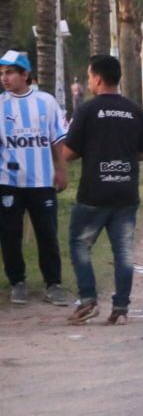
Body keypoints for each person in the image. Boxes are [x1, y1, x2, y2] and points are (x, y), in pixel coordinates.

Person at [64, 55, 143, 325]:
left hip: (94, 193)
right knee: (123, 252)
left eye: (90, 76)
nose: (89, 81)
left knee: (79, 244)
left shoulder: (87, 111)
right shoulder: (134, 109)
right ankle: (121, 309)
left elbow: (69, 153)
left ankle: (88, 299)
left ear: (98, 79)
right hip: (126, 193)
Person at [1, 50, 69, 306]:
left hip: (42, 181)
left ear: (24, 74)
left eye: (9, 73)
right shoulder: (0, 105)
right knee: (10, 234)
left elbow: (56, 140)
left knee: (47, 233)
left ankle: (54, 284)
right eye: (2, 74)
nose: (4, 79)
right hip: (8, 182)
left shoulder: (46, 102)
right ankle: (17, 282)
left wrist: (61, 170)